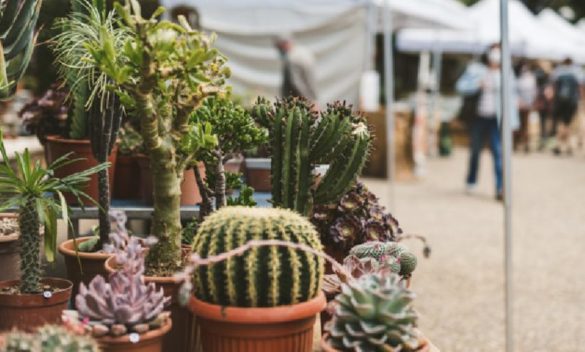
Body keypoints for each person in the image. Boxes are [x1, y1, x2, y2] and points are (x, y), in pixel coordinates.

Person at [456, 44, 518, 201]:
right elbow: (460, 86)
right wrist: (477, 84)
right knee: (475, 151)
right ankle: (471, 180)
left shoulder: (507, 73)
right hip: (478, 117)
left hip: (497, 120)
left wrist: (513, 123)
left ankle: (500, 187)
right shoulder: (477, 70)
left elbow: (511, 98)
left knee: (498, 152)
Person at [551, 58, 581, 155]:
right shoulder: (576, 72)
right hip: (571, 102)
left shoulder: (558, 72)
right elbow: (579, 87)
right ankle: (567, 146)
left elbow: (554, 87)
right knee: (567, 124)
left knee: (561, 124)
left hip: (560, 101)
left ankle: (559, 145)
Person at [274, 35, 318, 102]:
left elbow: (296, 83)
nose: (279, 50)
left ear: (284, 44)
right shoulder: (304, 52)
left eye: (279, 47)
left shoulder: (291, 58)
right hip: (308, 97)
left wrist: (310, 101)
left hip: (297, 101)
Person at [514, 61, 537, 152]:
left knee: (525, 125)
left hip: (527, 104)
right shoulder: (518, 77)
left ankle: (525, 144)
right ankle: (517, 144)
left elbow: (533, 92)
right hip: (519, 104)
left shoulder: (530, 77)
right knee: (518, 125)